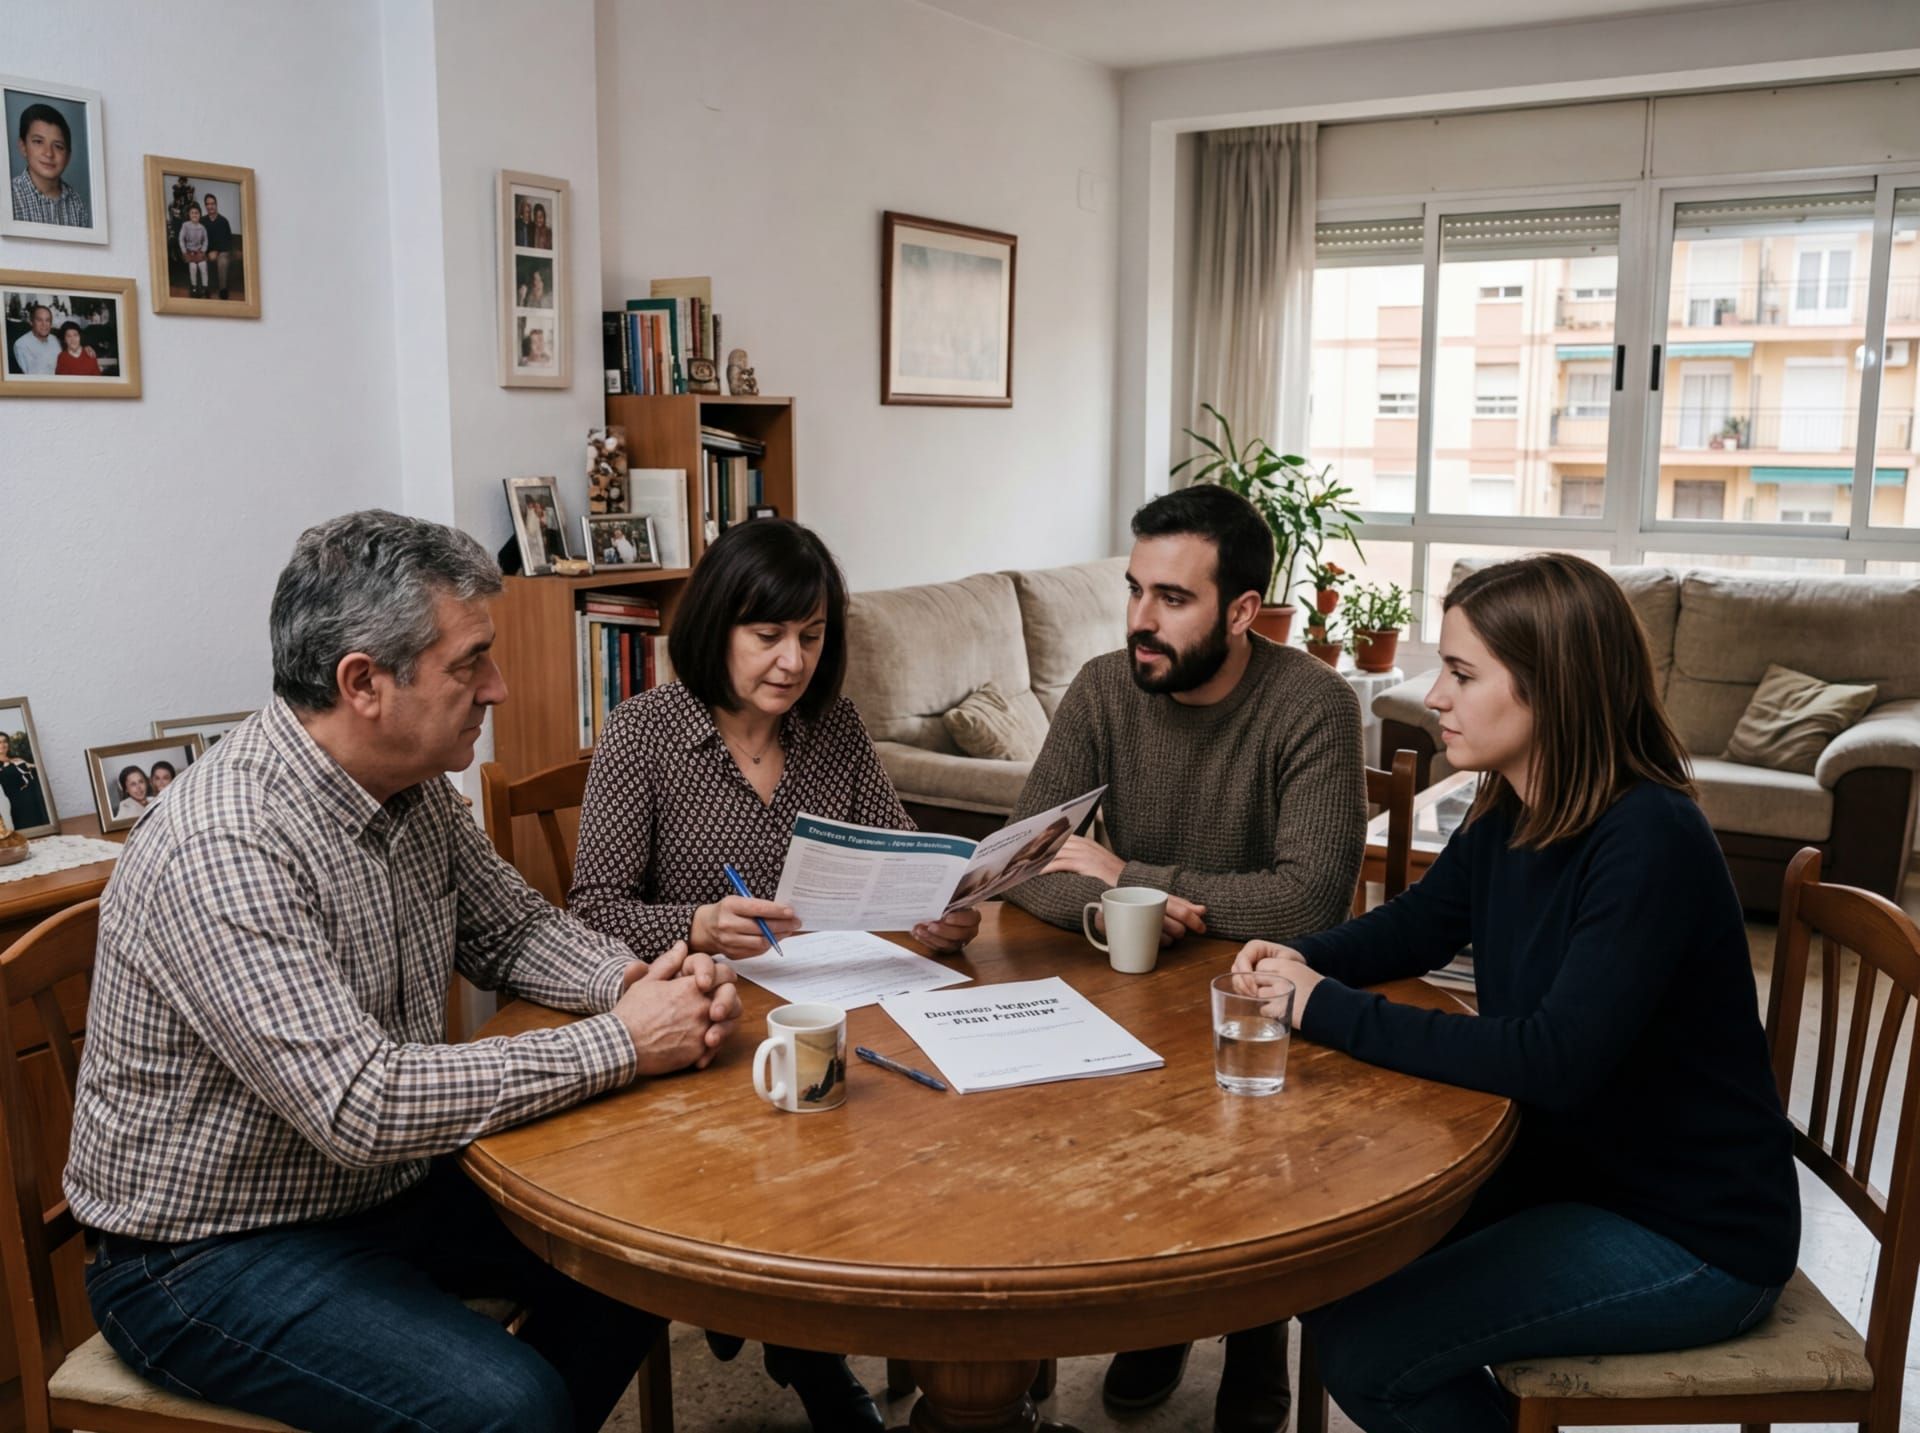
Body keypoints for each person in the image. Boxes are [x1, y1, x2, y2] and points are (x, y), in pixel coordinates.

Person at [66, 509, 742, 1433]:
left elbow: (514, 931)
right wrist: (623, 1041)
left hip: (376, 1188)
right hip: (200, 1253)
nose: (498, 687)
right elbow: (361, 1103)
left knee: (645, 1246)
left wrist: (632, 983)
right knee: (512, 1405)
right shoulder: (225, 844)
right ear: (364, 683)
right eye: (471, 663)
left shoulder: (411, 788)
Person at [1232, 554, 1800, 1433]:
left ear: (1551, 688)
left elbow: (1552, 1058)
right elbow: (1418, 925)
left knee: (1367, 1352)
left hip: (1695, 1234)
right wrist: (1297, 954)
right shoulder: (1511, 803)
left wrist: (1320, 1004)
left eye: (1462, 673)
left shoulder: (1650, 836)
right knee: (1328, 1259)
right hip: (1575, 1175)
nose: (1435, 696)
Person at [570, 518, 979, 1431]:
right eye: (769, 635)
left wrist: (937, 907)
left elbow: (901, 851)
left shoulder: (832, 728)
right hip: (703, 1031)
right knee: (807, 1170)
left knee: (915, 1137)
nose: (793, 661)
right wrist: (696, 921)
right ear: (717, 625)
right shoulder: (645, 733)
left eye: (812, 635)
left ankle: (794, 1320)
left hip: (837, 1008)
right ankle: (807, 1349)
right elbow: (590, 905)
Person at [1005, 482, 1366, 1433]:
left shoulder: (1315, 704)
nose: (1139, 620)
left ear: (1243, 611)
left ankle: (1257, 1334)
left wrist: (1130, 876)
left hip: (1266, 1002)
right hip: (1130, 986)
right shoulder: (1099, 688)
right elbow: (1023, 859)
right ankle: (1163, 1319)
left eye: (1172, 598)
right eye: (1134, 590)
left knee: (1258, 1141)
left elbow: (1309, 898)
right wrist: (1119, 906)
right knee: (1113, 1141)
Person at [10, 102, 90, 228]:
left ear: (68, 156)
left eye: (58, 146)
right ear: (23, 147)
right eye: (38, 142)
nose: (49, 153)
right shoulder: (9, 196)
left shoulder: (77, 203)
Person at [0, 731, 48, 830]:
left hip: (37, 798)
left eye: (5, 741)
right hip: (20, 805)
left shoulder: (18, 759)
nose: (3, 745)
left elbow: (37, 770)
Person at [202, 192, 235, 300]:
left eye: (212, 204)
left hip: (222, 251)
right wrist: (208, 252)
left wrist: (217, 251)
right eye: (208, 204)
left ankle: (223, 290)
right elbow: (200, 240)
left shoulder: (223, 221)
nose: (210, 206)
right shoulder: (202, 221)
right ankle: (205, 289)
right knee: (201, 260)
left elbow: (228, 242)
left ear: (216, 205)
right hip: (207, 251)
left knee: (223, 261)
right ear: (205, 206)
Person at [11, 302, 59, 375]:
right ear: (31, 322)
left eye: (47, 320)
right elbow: (33, 376)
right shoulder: (21, 345)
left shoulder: (55, 340)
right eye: (39, 320)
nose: (44, 324)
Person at [178, 202, 210, 298]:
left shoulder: (202, 228)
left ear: (199, 215)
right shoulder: (185, 225)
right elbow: (181, 239)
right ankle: (194, 287)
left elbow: (206, 241)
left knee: (203, 266)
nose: (194, 215)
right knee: (193, 267)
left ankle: (205, 287)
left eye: (197, 213)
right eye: (192, 213)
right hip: (189, 252)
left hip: (199, 252)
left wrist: (203, 250)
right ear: (189, 214)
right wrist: (184, 251)